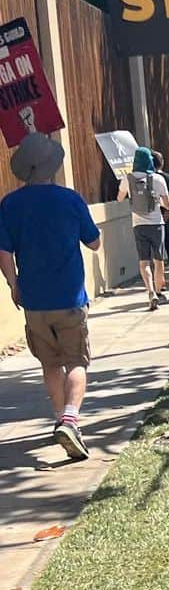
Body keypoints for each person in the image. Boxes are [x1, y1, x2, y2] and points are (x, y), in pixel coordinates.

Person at [0, 133, 101, 461]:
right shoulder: (70, 200)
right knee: (76, 360)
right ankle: (71, 419)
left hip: (34, 300)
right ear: (53, 166)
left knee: (49, 363)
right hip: (70, 296)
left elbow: (4, 251)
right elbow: (95, 242)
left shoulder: (10, 204)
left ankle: (60, 419)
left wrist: (14, 283)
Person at [117, 146, 169, 311]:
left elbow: (119, 199)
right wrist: (157, 201)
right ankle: (159, 290)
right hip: (157, 224)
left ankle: (150, 292)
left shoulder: (128, 179)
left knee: (144, 262)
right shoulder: (158, 179)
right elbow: (168, 205)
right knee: (158, 260)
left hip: (138, 225)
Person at [152, 150, 169, 288]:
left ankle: (159, 279)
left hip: (152, 218)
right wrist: (168, 214)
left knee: (158, 249)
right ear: (162, 163)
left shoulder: (147, 179)